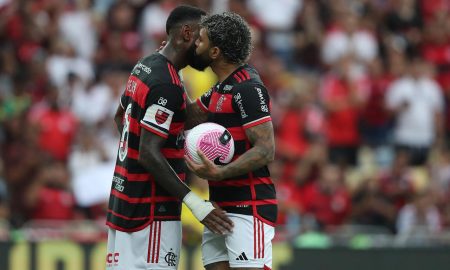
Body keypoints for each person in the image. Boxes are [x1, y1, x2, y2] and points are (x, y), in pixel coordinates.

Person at [106, 6, 233, 270]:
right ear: (187, 33)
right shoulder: (166, 83)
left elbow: (120, 116)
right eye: (202, 38)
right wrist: (197, 206)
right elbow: (148, 153)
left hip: (125, 204)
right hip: (151, 215)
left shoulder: (147, 65)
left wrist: (226, 83)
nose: (204, 47)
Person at [185, 12, 277, 270]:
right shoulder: (221, 88)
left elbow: (266, 150)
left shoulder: (248, 88)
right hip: (220, 209)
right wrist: (170, 66)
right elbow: (189, 116)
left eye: (200, 41)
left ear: (215, 52)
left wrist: (220, 172)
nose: (195, 46)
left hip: (249, 206)